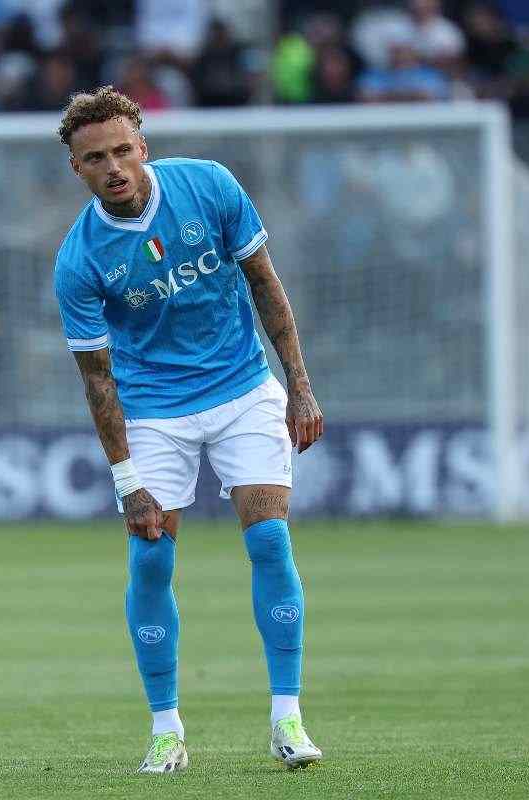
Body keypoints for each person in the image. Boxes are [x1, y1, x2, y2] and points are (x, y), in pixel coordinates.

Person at [52, 87, 325, 775]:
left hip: (242, 388)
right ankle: (166, 730)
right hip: (152, 410)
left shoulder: (209, 186)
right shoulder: (79, 261)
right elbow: (98, 380)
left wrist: (299, 385)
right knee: (149, 561)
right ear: (77, 168)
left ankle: (287, 719)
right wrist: (127, 480)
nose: (113, 167)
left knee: (269, 541)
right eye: (95, 158)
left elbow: (265, 283)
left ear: (142, 146)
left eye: (122, 150)